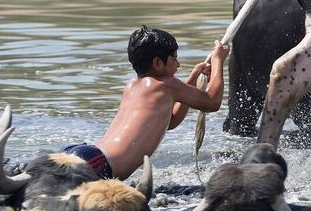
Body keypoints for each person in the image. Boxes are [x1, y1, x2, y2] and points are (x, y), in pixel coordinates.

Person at [62, 25, 230, 180]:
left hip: (81, 155)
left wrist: (192, 78)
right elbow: (213, 102)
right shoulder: (166, 85)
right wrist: (218, 61)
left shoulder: (132, 86)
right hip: (97, 166)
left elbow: (169, 122)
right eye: (174, 59)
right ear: (157, 63)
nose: (178, 64)